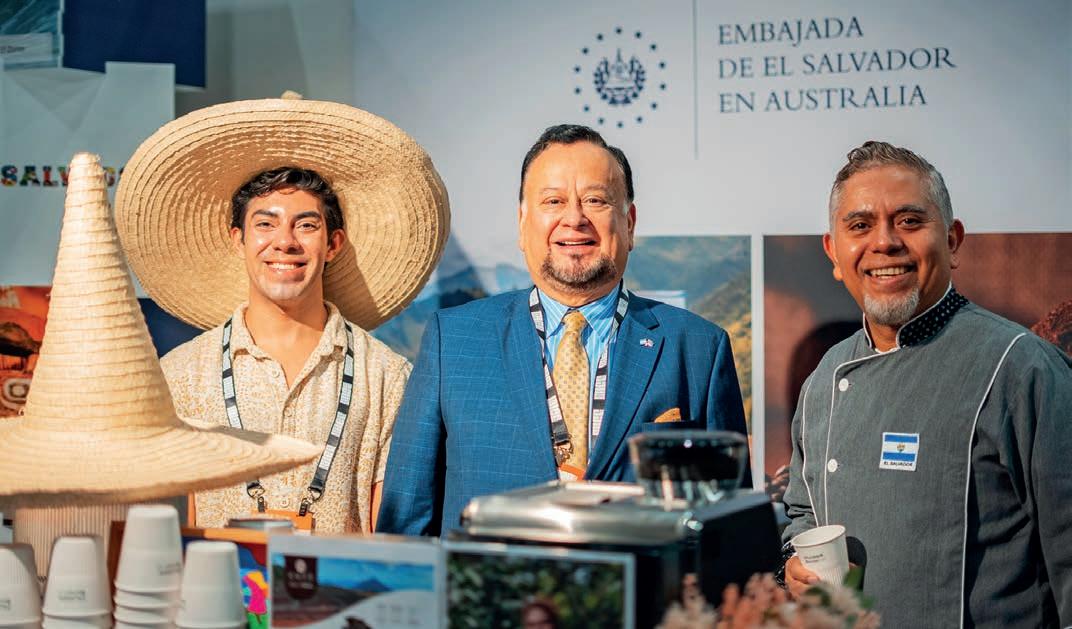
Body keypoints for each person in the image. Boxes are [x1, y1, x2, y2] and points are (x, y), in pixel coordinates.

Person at [377, 124, 748, 536]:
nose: (574, 219)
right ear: (523, 223)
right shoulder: (454, 340)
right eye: (553, 201)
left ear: (629, 223)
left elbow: (731, 529)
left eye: (595, 200)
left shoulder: (698, 348)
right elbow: (405, 523)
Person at [113, 95, 449, 533]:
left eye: (306, 225)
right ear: (238, 240)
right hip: (220, 577)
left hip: (337, 579)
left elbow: (391, 530)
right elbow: (168, 526)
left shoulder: (386, 376)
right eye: (265, 224)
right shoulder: (182, 374)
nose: (285, 242)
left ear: (333, 244)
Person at [780, 141, 1072, 627]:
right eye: (860, 226)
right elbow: (802, 511)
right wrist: (795, 565)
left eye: (910, 221)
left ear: (953, 241)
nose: (885, 243)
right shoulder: (826, 375)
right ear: (833, 252)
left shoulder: (1020, 367)